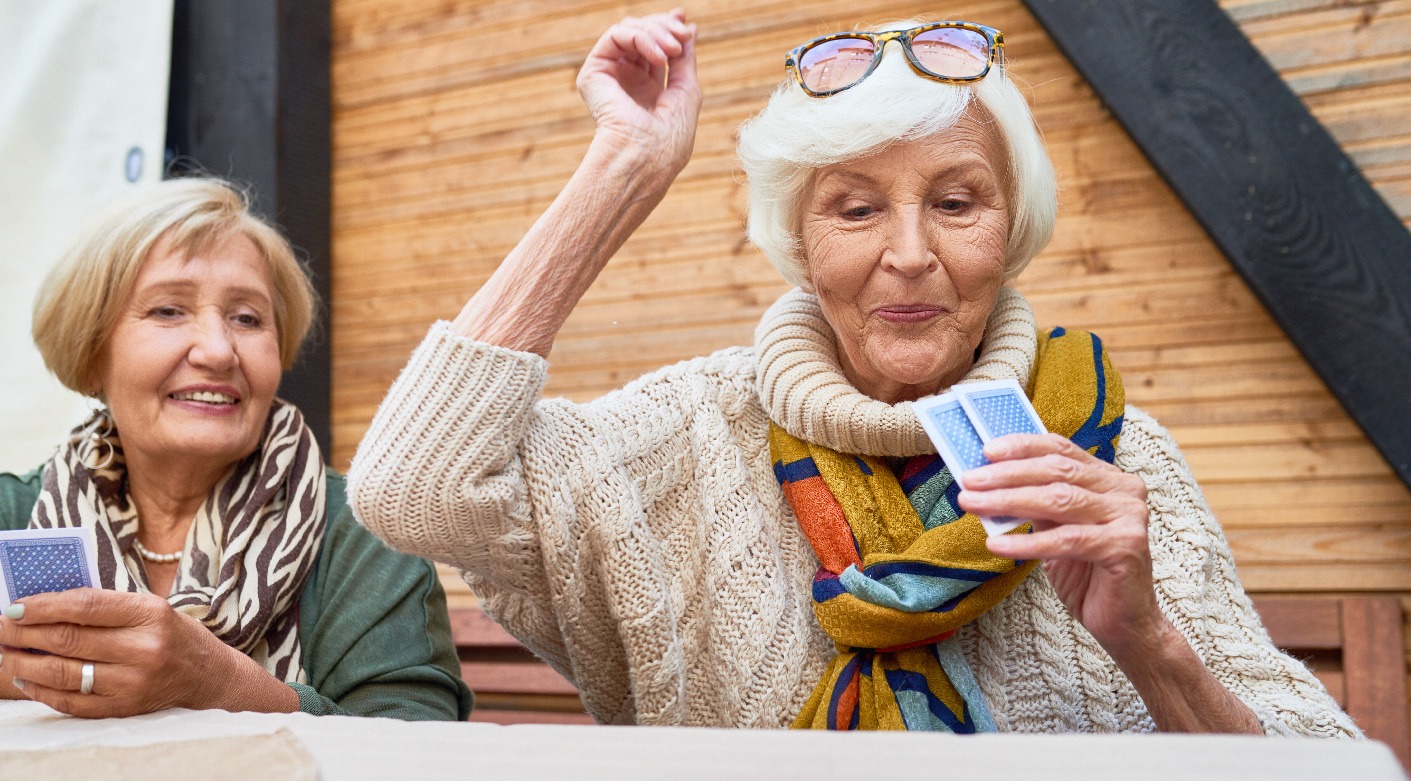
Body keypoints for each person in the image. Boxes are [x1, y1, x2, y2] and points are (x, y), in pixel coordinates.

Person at [349, 11, 1356, 735]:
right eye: (856, 207)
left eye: (957, 203)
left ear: (1012, 233)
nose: (910, 253)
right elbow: (411, 488)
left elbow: (1322, 766)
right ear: (799, 239)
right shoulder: (691, 429)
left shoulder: (1115, 459)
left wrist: (1150, 643)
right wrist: (623, 170)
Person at [0, 177, 472, 720]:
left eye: (247, 318)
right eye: (168, 311)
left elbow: (419, 744)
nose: (220, 351)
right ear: (91, 350)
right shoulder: (16, 516)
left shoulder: (366, 536)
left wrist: (220, 686)